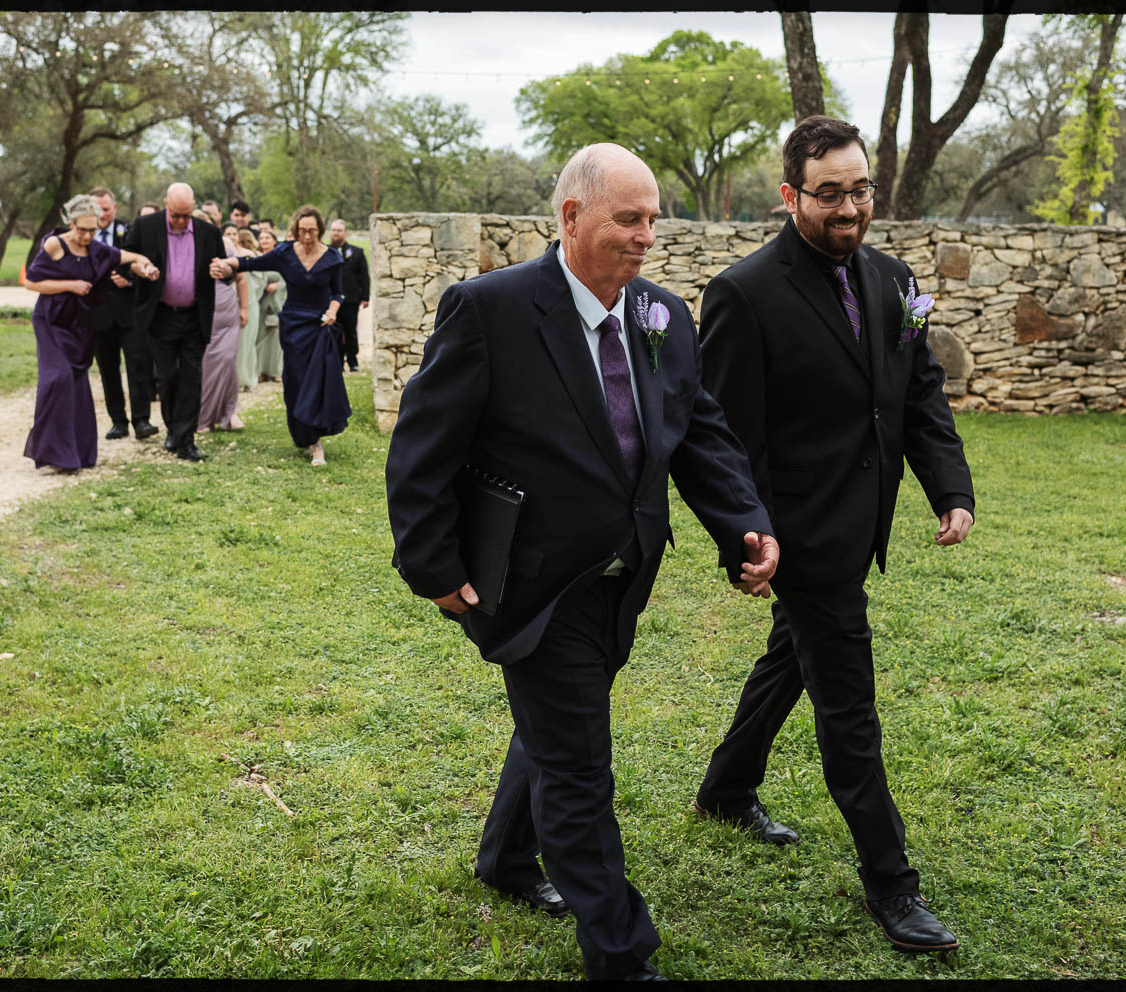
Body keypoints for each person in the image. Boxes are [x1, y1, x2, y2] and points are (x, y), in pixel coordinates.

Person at [384, 143, 780, 982]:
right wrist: (431, 564)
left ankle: (503, 859)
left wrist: (743, 521)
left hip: (624, 577)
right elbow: (423, 446)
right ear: (570, 217)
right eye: (626, 219)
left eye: (651, 219)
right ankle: (621, 954)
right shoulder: (488, 310)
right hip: (529, 581)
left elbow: (697, 430)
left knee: (558, 726)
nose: (645, 237)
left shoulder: (662, 317)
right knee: (578, 770)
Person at [693, 115, 975, 953]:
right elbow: (722, 435)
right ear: (790, 197)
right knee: (848, 705)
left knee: (794, 656)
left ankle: (725, 787)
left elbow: (918, 391)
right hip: (799, 538)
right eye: (830, 194)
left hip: (865, 523)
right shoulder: (744, 293)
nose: (850, 207)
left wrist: (948, 488)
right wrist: (748, 538)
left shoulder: (899, 279)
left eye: (861, 190)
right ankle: (892, 884)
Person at [21, 194, 160, 471]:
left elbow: (131, 257)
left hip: (79, 324)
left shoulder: (97, 250)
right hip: (51, 322)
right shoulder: (54, 244)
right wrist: (70, 285)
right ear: (71, 223)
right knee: (57, 379)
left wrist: (146, 268)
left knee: (77, 385)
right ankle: (51, 451)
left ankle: (76, 454)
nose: (86, 235)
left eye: (92, 230)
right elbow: (32, 283)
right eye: (81, 229)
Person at [211, 205, 347, 467]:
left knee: (316, 383)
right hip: (293, 326)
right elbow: (251, 263)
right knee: (295, 383)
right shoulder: (285, 253)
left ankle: (316, 442)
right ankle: (304, 436)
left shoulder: (332, 257)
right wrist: (227, 264)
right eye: (302, 231)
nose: (307, 237)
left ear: (320, 230)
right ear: (295, 230)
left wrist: (332, 311)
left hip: (320, 325)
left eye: (313, 231)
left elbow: (337, 293)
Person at [120, 181, 232, 462]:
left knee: (192, 378)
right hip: (160, 316)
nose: (181, 221)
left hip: (195, 316)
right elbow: (125, 260)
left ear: (192, 209)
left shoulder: (207, 233)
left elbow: (226, 270)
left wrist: (222, 269)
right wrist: (141, 269)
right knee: (167, 376)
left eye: (186, 215)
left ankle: (186, 440)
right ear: (166, 205)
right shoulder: (145, 226)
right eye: (175, 215)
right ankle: (173, 428)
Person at [86, 186, 157, 440]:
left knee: (137, 365)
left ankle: (142, 420)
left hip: (130, 313)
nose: (102, 215)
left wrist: (129, 280)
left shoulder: (128, 230)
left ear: (114, 208)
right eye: (97, 210)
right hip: (98, 314)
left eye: (106, 209)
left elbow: (141, 261)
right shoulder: (84, 235)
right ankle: (118, 421)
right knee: (108, 368)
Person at [198, 237, 249, 433]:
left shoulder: (225, 244)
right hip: (203, 311)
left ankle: (230, 412)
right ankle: (204, 416)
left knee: (228, 360)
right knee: (206, 366)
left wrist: (244, 308)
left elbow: (241, 278)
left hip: (227, 311)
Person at [233, 228, 277, 392]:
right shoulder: (225, 253)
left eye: (234, 233)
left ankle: (245, 377)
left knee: (248, 342)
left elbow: (261, 280)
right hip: (229, 304)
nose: (232, 237)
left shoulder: (251, 255)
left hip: (249, 302)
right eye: (228, 233)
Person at [328, 219, 370, 373]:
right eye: (333, 230)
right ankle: (337, 361)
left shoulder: (357, 252)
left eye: (339, 230)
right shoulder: (325, 251)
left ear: (345, 233)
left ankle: (353, 360)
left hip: (351, 298)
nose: (336, 233)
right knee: (335, 330)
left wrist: (365, 296)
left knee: (350, 330)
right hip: (331, 299)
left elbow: (364, 276)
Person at [255, 229, 286, 385]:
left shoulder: (282, 258)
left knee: (276, 339)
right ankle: (260, 371)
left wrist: (278, 286)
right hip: (260, 302)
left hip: (277, 303)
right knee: (260, 338)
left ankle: (276, 371)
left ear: (274, 240)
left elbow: (288, 278)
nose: (264, 240)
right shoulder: (256, 257)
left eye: (267, 237)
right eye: (261, 238)